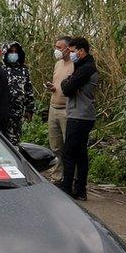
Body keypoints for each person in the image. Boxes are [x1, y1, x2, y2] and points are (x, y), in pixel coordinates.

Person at [58, 37, 98, 201]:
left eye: (73, 51)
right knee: (80, 153)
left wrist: (67, 82)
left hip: (79, 116)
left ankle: (67, 187)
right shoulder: (83, 66)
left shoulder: (86, 68)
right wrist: (68, 82)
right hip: (82, 115)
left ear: (82, 51)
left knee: (69, 153)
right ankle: (80, 189)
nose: (71, 54)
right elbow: (69, 85)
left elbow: (66, 88)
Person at [46, 37, 74, 180]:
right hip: (53, 107)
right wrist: (52, 88)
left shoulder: (75, 65)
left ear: (68, 48)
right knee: (56, 146)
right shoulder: (58, 64)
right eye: (55, 46)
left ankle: (70, 177)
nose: (56, 50)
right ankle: (57, 176)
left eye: (59, 47)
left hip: (67, 110)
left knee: (69, 146)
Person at [3, 41, 35, 145]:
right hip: (3, 114)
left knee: (15, 142)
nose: (13, 54)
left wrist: (29, 109)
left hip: (17, 114)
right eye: (11, 51)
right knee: (2, 141)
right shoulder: (0, 69)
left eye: (15, 52)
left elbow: (28, 90)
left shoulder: (23, 70)